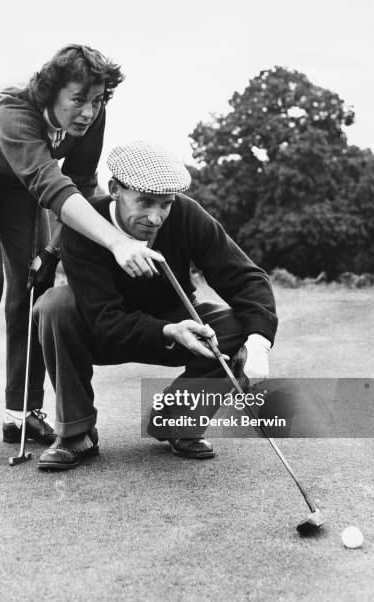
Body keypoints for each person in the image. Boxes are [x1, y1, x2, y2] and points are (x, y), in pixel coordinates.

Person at [0, 46, 164, 467]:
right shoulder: (12, 108)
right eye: (79, 99)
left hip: (16, 181)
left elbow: (78, 181)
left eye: (98, 100)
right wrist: (117, 240)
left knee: (32, 280)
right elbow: (49, 185)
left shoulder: (90, 116)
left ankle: (22, 413)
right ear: (49, 92)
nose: (89, 111)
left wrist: (52, 251)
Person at [33, 141, 278, 470]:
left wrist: (260, 341)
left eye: (165, 204)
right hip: (103, 331)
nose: (155, 217)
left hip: (176, 324)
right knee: (54, 306)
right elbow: (107, 321)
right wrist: (169, 331)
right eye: (145, 201)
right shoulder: (81, 226)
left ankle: (176, 419)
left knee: (237, 324)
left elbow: (247, 278)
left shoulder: (187, 214)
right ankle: (77, 431)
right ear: (115, 189)